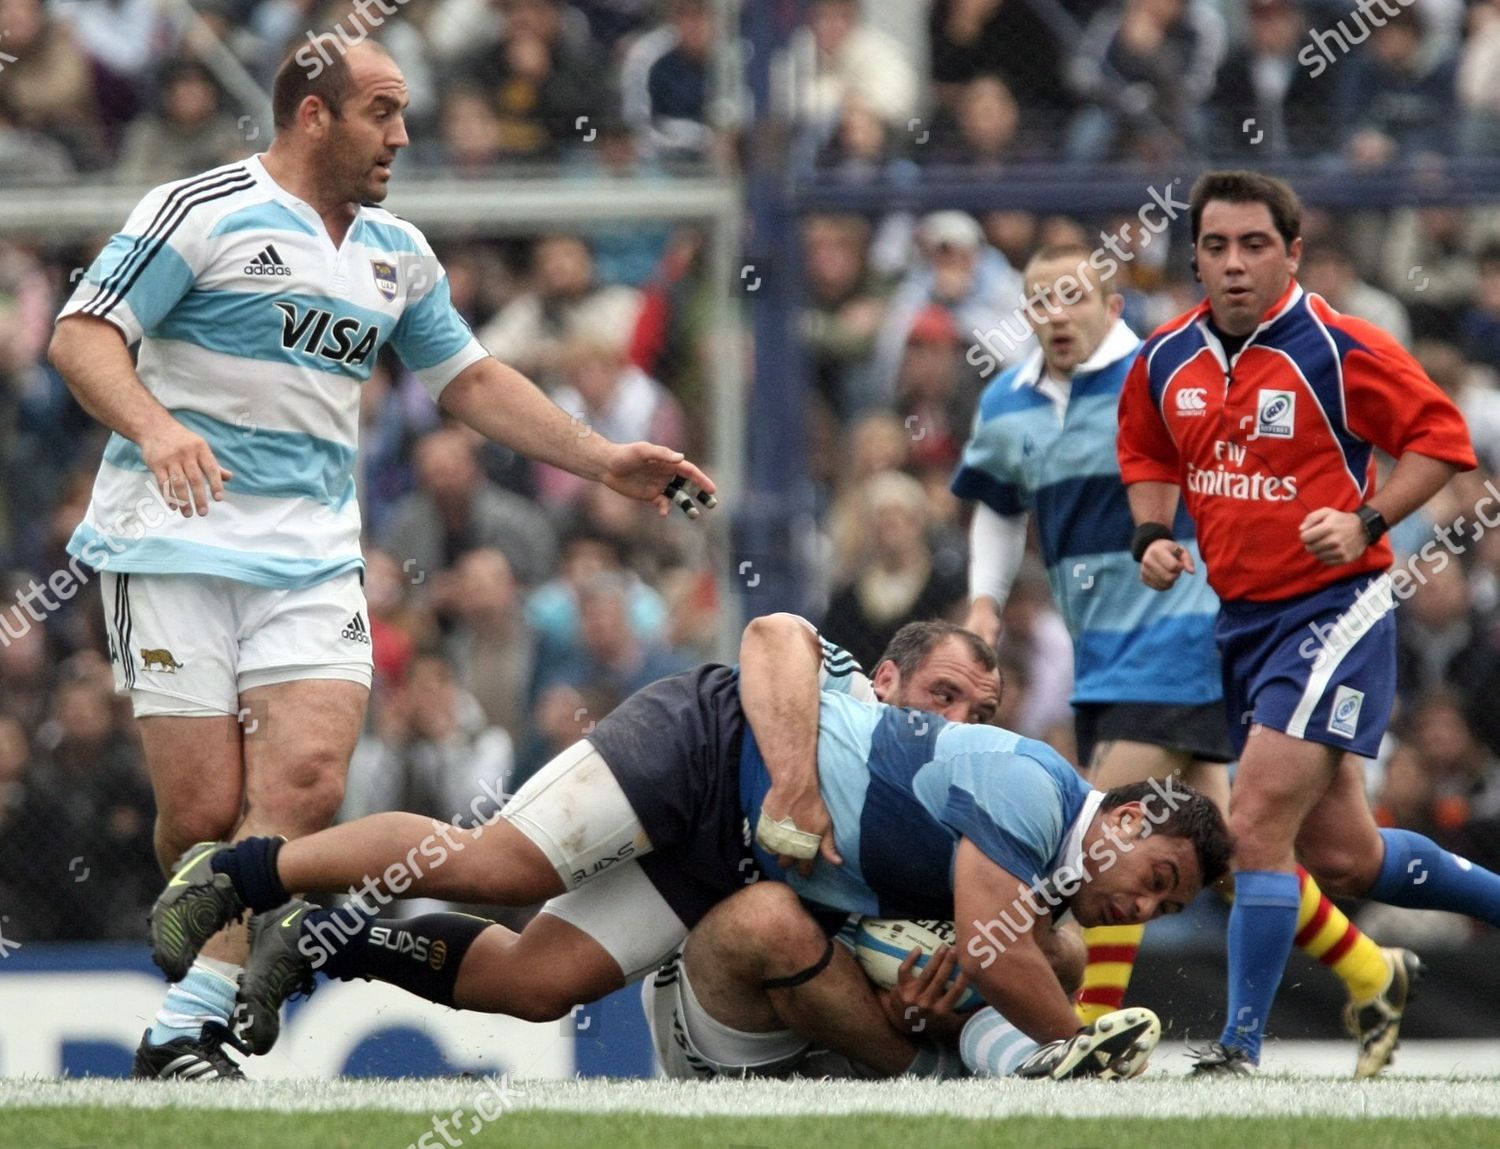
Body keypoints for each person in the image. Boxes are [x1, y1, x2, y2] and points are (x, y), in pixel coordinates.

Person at [47, 37, 714, 1081]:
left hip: (311, 557)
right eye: (383, 111)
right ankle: (208, 995)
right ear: (314, 116)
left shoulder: (397, 252)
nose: (403, 134)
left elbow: (473, 381)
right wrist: (158, 427)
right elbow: (82, 336)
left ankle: (190, 1025)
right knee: (203, 817)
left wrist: (602, 460)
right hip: (172, 540)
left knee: (307, 784)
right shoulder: (200, 210)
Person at [147, 615, 1228, 1075]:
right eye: (1159, 882)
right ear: (1129, 819)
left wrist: (943, 996)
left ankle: (337, 938)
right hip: (703, 751)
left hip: (737, 860)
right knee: (502, 865)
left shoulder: (1030, 858)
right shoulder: (1031, 781)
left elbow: (990, 944)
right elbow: (771, 637)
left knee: (536, 982)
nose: (1145, 906)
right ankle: (239, 873)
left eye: (1168, 911)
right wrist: (1062, 1049)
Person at [952, 241, 1416, 1076]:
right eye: (1038, 301)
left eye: (1071, 296)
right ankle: (1372, 971)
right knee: (1232, 851)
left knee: (1106, 829)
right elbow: (992, 504)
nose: (1054, 314)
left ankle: (1089, 1041)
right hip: (1103, 651)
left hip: (1189, 631)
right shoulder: (1007, 403)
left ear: (1111, 303)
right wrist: (984, 597)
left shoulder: (1170, 376)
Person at [1117, 169, 1500, 1074]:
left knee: (1251, 821)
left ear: (1292, 254)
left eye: (1255, 245)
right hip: (1243, 621)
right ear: (1197, 256)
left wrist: (1365, 519)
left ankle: (1239, 1048)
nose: (1235, 264)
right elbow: (1144, 447)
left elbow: (1444, 443)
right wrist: (1148, 531)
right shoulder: (1165, 356)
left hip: (1336, 612)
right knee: (1347, 856)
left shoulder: (1337, 347)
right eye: (1216, 246)